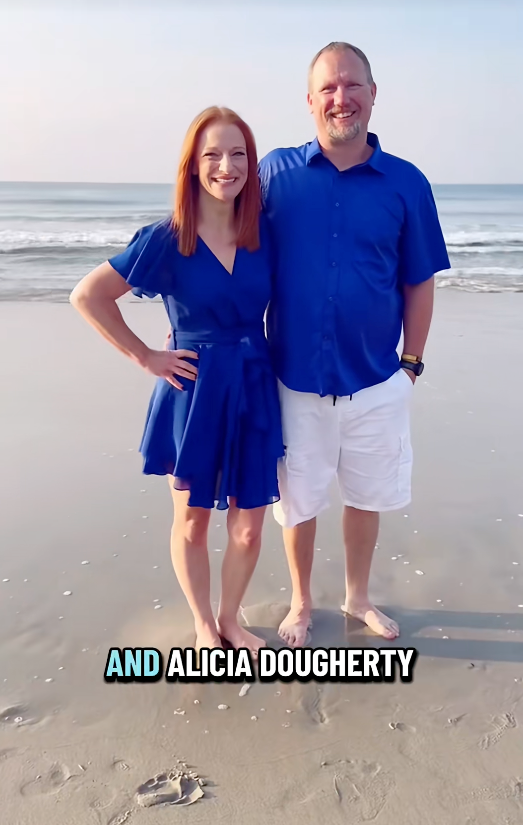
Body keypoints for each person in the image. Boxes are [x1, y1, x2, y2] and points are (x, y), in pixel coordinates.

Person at [69, 106, 284, 657]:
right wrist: (145, 357)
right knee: (192, 524)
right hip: (192, 390)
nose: (226, 166)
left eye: (238, 154)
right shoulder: (167, 238)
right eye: (212, 154)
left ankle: (231, 619)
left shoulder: (265, 233)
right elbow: (88, 297)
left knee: (249, 527)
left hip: (255, 384)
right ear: (193, 166)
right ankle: (203, 625)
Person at [258, 42, 451, 647]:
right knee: (299, 501)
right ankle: (299, 602)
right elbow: (234, 256)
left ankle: (358, 597)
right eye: (329, 88)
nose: (341, 98)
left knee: (366, 498)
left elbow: (419, 279)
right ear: (310, 100)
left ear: (372, 94)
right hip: (293, 378)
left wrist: (411, 366)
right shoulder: (273, 174)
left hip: (376, 380)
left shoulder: (406, 182)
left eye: (352, 85)